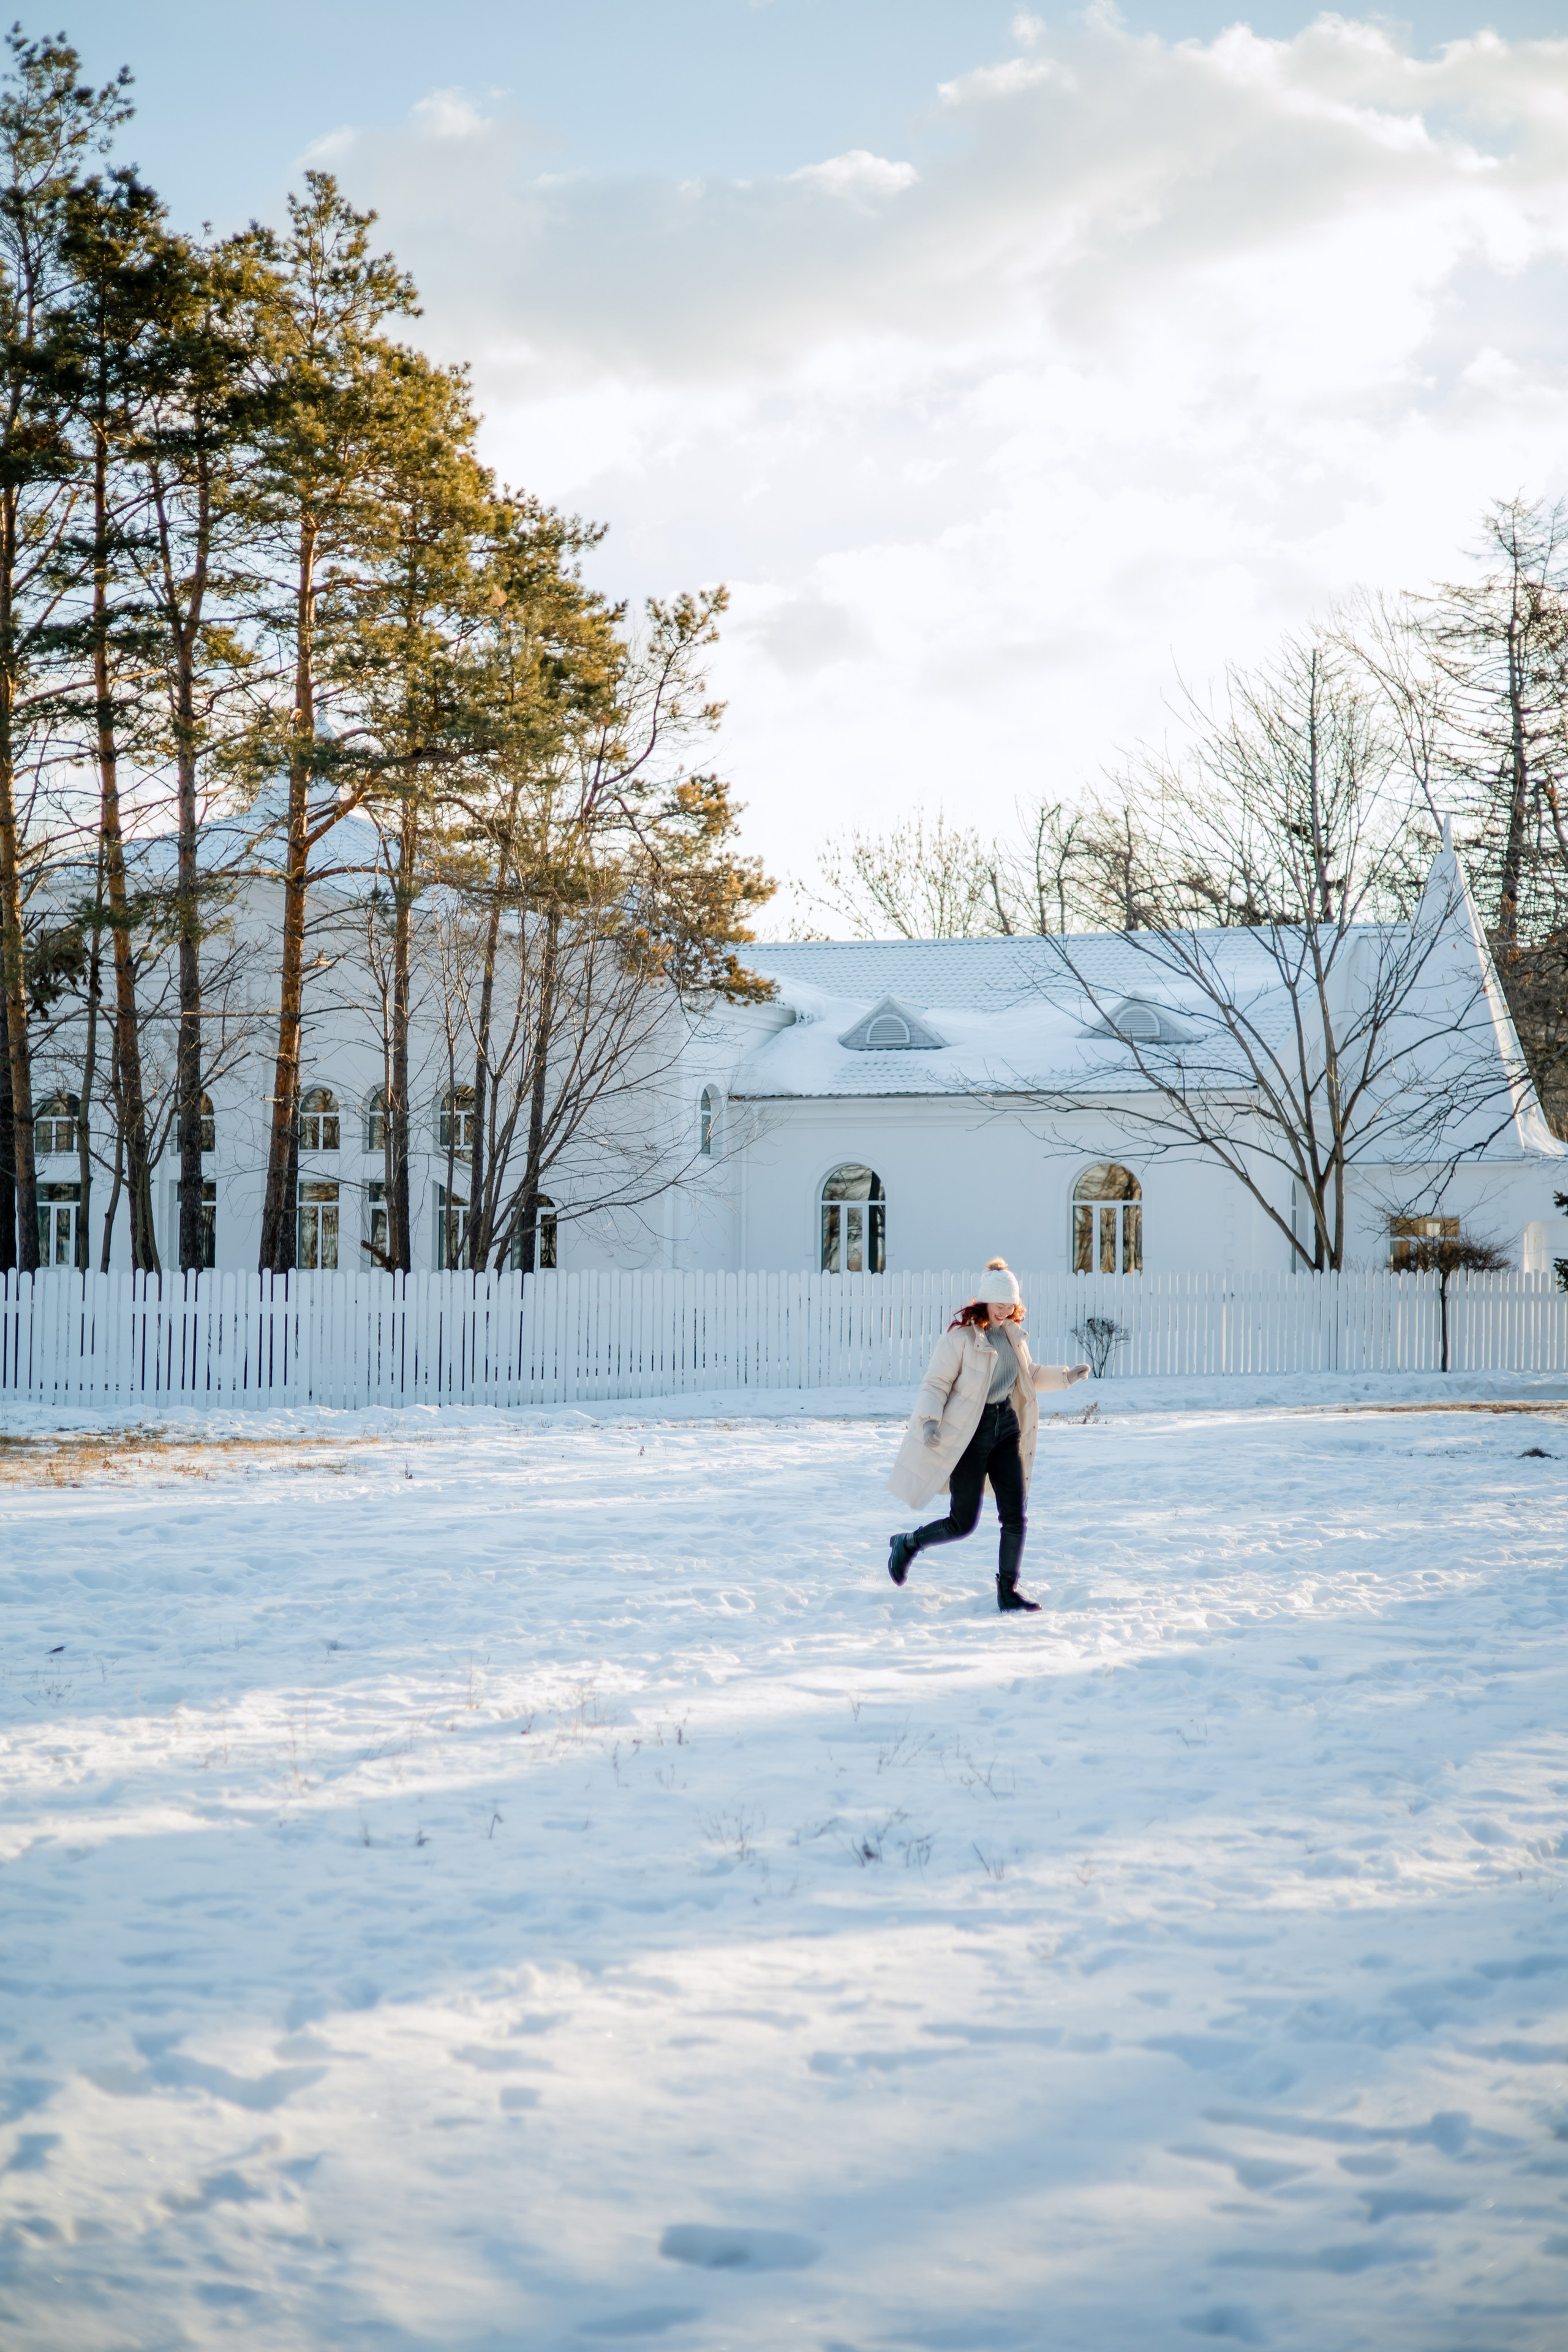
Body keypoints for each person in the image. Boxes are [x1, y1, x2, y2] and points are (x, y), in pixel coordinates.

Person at [885, 1259, 1091, 1613]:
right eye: (999, 1303)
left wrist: (1066, 1376)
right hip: (971, 1435)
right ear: (983, 1301)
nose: (1005, 1309)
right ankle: (908, 1543)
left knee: (1015, 1514)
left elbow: (1029, 1375)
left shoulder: (1013, 1336)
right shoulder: (961, 1339)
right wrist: (931, 1420)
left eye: (1011, 1303)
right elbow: (936, 1383)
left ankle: (1008, 1590)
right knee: (962, 1523)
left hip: (1006, 1428)